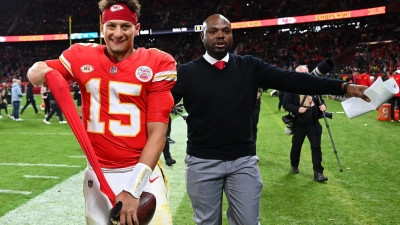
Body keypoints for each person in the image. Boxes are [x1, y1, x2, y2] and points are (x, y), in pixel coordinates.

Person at [171, 14, 370, 225]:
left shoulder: (250, 66)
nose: (220, 35)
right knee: (207, 223)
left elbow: (293, 80)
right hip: (202, 161)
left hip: (242, 161)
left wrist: (342, 86)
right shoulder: (185, 73)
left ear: (232, 35)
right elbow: (159, 107)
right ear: (202, 36)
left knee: (248, 222)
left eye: (226, 31)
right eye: (213, 31)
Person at [27, 0, 176, 224]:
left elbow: (158, 133)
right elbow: (39, 71)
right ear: (102, 28)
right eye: (111, 26)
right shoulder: (80, 55)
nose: (118, 33)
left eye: (125, 26)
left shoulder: (157, 62)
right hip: (97, 175)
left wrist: (134, 189)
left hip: (141, 174)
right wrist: (38, 69)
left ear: (136, 29)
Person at [283, 65, 328, 182]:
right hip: (299, 123)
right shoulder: (291, 87)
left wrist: (323, 106)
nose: (306, 76)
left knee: (316, 147)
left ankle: (318, 172)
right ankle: (294, 165)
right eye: (303, 73)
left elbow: (321, 102)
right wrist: (297, 109)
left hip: (314, 122)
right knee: (296, 146)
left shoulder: (313, 87)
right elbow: (286, 104)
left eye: (307, 73)